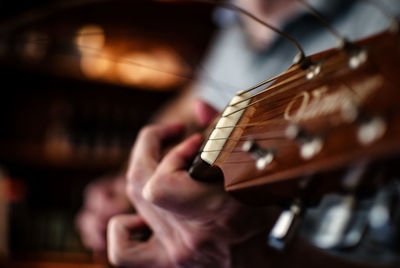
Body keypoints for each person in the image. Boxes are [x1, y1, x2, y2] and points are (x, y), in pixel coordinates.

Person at [76, 0, 400, 267]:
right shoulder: (232, 28)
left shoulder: (384, 14)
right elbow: (191, 104)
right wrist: (127, 185)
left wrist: (263, 259)